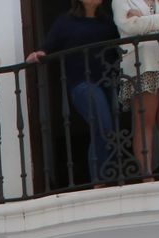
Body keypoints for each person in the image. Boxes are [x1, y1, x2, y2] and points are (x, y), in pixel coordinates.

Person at [26, 1, 121, 186]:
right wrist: (38, 53)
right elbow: (48, 45)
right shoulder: (66, 22)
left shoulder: (108, 22)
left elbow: (122, 44)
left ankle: (105, 177)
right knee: (103, 125)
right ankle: (99, 180)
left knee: (108, 130)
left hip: (108, 83)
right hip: (82, 84)